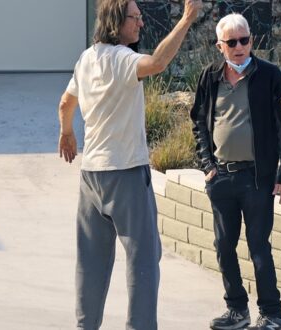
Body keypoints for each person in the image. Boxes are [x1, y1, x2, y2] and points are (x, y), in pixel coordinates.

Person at [57, 0, 202, 329]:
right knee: (144, 263)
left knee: (91, 265)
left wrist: (66, 133)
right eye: (134, 19)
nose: (140, 24)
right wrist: (187, 18)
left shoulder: (86, 58)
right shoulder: (122, 58)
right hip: (126, 175)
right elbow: (159, 63)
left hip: (91, 176)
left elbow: (66, 102)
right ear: (116, 23)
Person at [190, 13, 281, 330]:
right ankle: (237, 310)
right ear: (220, 45)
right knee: (224, 247)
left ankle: (273, 314)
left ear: (251, 40)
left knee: (259, 248)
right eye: (232, 42)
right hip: (221, 178)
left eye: (245, 40)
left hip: (257, 179)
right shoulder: (210, 76)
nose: (239, 47)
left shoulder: (269, 75)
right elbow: (198, 123)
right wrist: (207, 166)